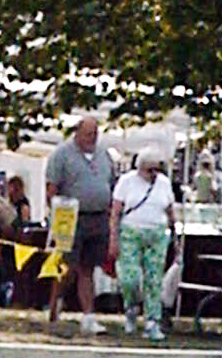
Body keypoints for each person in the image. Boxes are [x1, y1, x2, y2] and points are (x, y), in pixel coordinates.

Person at [46, 117, 114, 335]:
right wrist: (55, 217)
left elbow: (110, 183)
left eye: (95, 134)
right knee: (68, 267)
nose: (92, 138)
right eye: (88, 134)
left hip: (98, 217)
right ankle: (55, 303)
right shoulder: (61, 155)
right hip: (71, 216)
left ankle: (88, 316)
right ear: (77, 133)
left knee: (88, 268)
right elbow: (51, 188)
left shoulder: (104, 155)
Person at [108, 146, 176, 341]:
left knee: (154, 279)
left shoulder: (164, 184)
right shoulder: (126, 182)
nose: (153, 174)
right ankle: (131, 307)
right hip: (130, 232)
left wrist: (175, 234)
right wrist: (113, 238)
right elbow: (116, 212)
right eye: (149, 170)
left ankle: (152, 321)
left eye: (156, 169)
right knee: (130, 278)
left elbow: (170, 210)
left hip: (157, 234)